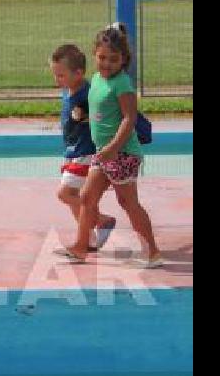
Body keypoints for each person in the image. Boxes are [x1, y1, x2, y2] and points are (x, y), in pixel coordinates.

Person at [59, 23, 164, 268]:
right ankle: (80, 248)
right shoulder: (96, 79)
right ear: (94, 54)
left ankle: (152, 252)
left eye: (113, 59)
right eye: (102, 57)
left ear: (124, 60)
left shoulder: (122, 83)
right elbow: (99, 111)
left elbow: (130, 118)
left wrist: (115, 147)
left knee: (128, 203)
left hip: (122, 153)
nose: (106, 64)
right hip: (103, 153)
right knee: (86, 198)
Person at [49, 44, 117, 252]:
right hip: (73, 151)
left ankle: (101, 220)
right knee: (73, 198)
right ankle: (86, 239)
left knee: (65, 193)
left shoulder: (87, 95)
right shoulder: (69, 90)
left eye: (61, 75)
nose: (57, 80)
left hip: (85, 153)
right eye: (55, 75)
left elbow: (101, 115)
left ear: (79, 73)